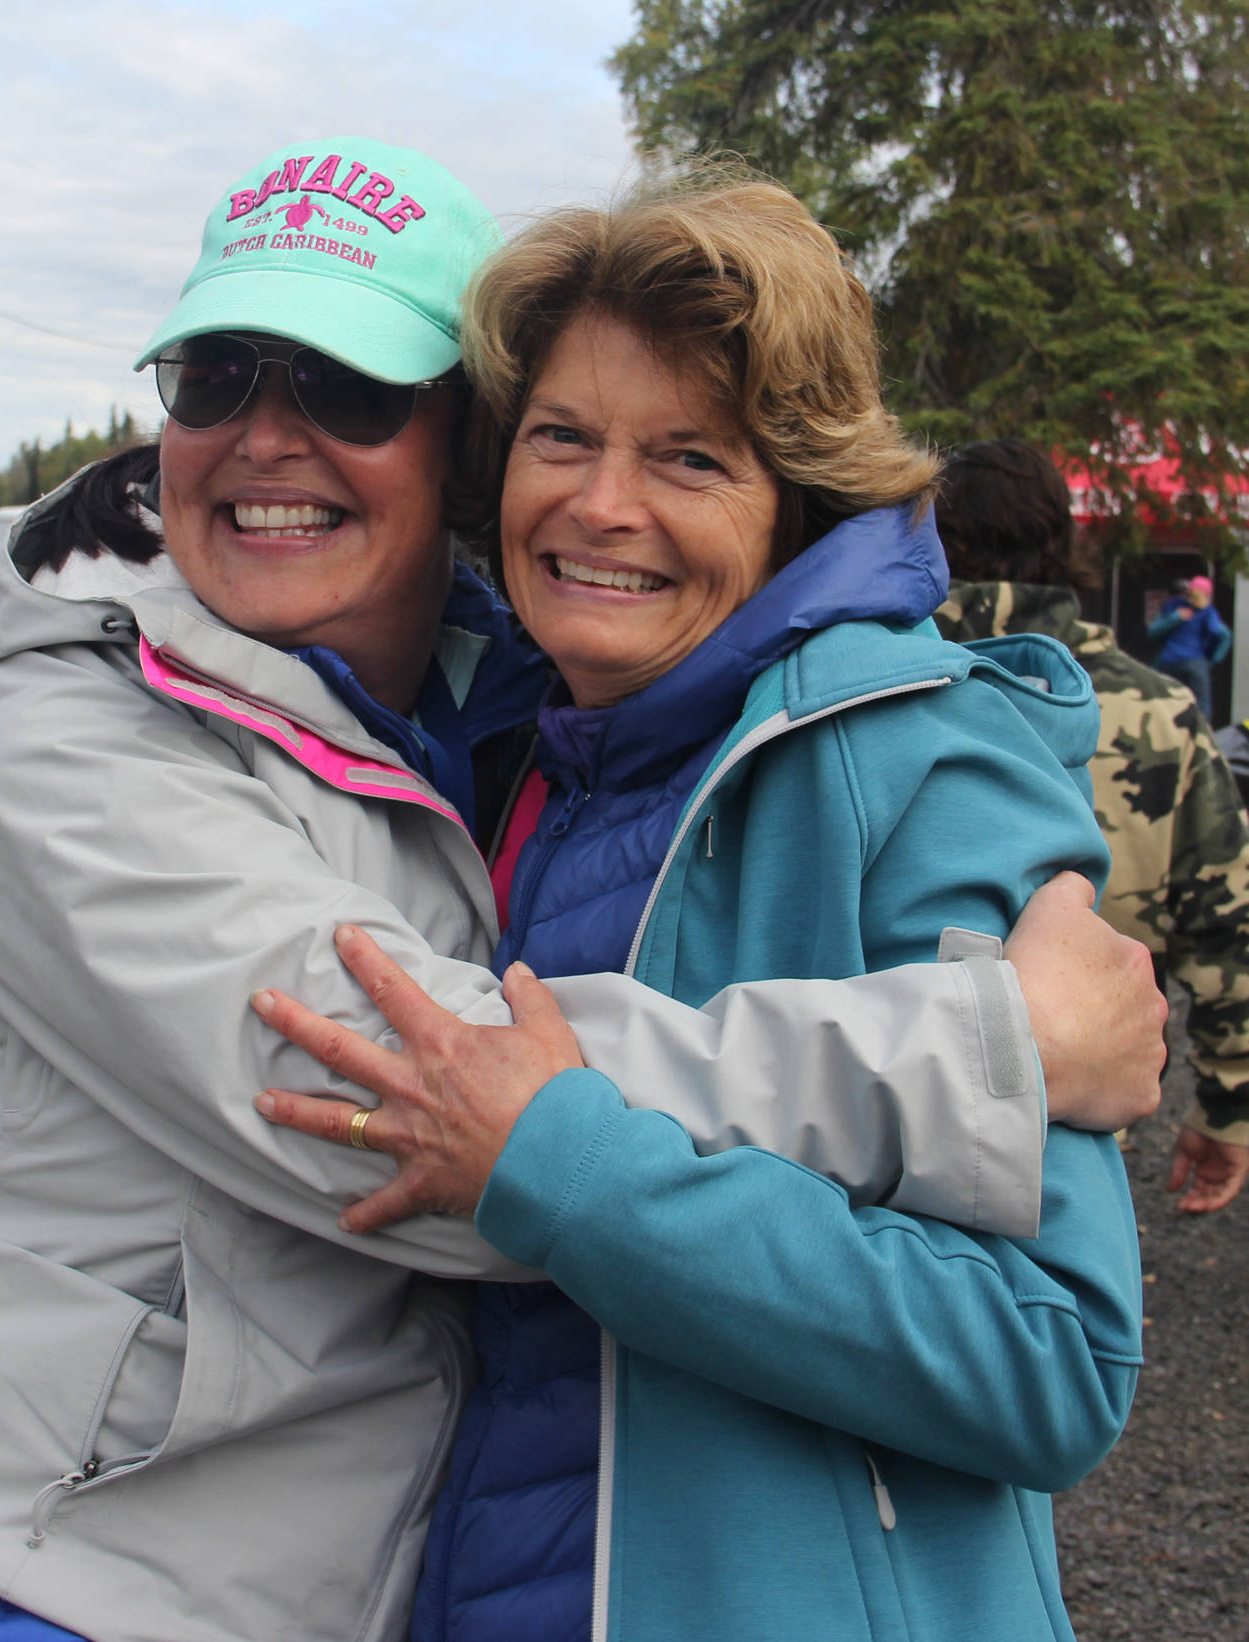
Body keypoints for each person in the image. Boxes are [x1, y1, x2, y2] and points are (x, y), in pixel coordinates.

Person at [0, 141, 1160, 1642]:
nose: (266, 436)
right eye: (215, 375)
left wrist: (568, 1153)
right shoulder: (71, 748)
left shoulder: (626, 742)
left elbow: (1046, 1353)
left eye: (343, 388)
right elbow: (417, 1106)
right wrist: (983, 1052)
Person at [252, 171, 1152, 1642]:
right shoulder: (499, 753)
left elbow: (1047, 1359)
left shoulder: (923, 764)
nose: (603, 505)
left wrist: (570, 1166)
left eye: (689, 458)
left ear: (791, 497)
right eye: (561, 436)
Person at [934, 439, 1249, 1211]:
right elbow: (1226, 920)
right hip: (1089, 1122)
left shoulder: (864, 691)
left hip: (901, 1110)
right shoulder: (1162, 713)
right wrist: (1228, 1105)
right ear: (1063, 541)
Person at [1149, 573, 1232, 720]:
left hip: (1169, 660)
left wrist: (1176, 617)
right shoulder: (1206, 611)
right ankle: (1201, 737)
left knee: (1162, 699)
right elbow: (1220, 632)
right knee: (1202, 704)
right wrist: (1211, 659)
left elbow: (1153, 631)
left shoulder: (1175, 607)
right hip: (1194, 661)